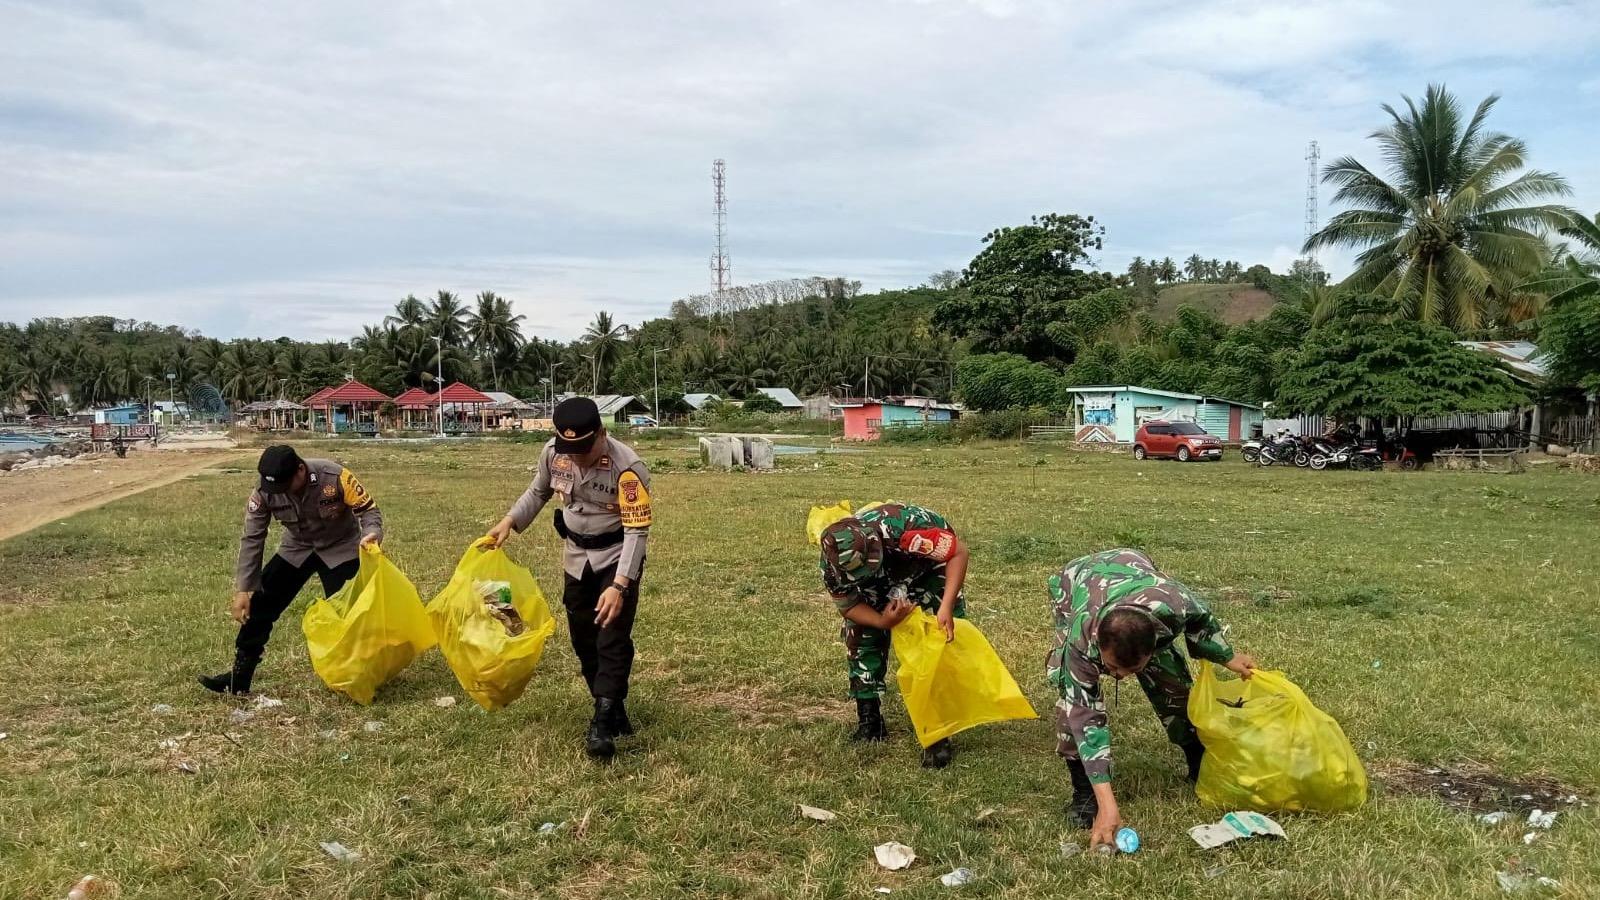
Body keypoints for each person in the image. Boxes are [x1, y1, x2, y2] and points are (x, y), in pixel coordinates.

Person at [1046, 548, 1259, 850]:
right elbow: (1085, 718)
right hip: (1076, 582)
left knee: (1175, 687)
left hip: (1135, 569)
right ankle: (1084, 792)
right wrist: (1107, 805)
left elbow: (1202, 621)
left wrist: (1226, 656)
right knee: (1070, 710)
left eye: (1132, 669)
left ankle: (1197, 759)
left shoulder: (1174, 603)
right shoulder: (1082, 636)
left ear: (1154, 643)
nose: (1120, 677)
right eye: (1112, 668)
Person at [486, 397, 651, 759]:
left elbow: (637, 533)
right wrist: (509, 522)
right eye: (569, 448)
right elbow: (539, 491)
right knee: (583, 636)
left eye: (583, 448)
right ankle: (610, 702)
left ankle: (603, 720)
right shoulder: (554, 453)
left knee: (612, 634)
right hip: (576, 556)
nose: (576, 456)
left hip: (616, 555)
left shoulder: (629, 468)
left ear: (602, 435)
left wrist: (620, 585)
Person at [199, 445, 382, 695]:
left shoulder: (335, 476)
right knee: (261, 605)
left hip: (340, 548)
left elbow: (368, 510)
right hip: (298, 548)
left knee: (349, 614)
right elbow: (253, 537)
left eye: (285, 486)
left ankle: (359, 676)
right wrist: (244, 588)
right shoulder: (264, 490)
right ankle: (239, 679)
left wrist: (372, 533)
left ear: (300, 469)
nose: (280, 493)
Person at [818, 502, 970, 768]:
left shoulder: (907, 532)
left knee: (938, 642)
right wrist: (882, 620)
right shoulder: (834, 560)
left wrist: (945, 606)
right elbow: (849, 605)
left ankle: (938, 731)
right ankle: (870, 721)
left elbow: (958, 552)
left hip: (926, 571)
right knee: (862, 636)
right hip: (877, 587)